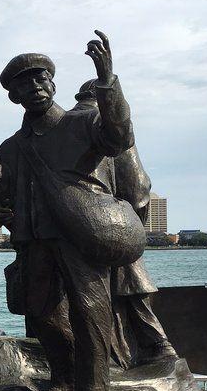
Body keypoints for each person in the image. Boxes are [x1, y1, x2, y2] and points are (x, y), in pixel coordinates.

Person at [0, 32, 135, 391]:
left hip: (78, 233)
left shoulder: (82, 123)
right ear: (14, 96)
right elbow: (1, 191)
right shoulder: (12, 146)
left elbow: (119, 137)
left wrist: (107, 80)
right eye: (24, 84)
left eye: (41, 80)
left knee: (89, 310)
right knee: (41, 311)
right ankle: (66, 379)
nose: (35, 88)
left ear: (52, 84)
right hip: (33, 239)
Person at [72, 80, 177, 367]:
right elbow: (137, 186)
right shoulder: (107, 125)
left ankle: (126, 353)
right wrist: (133, 222)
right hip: (114, 225)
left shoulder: (63, 128)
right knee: (128, 290)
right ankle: (154, 346)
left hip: (73, 234)